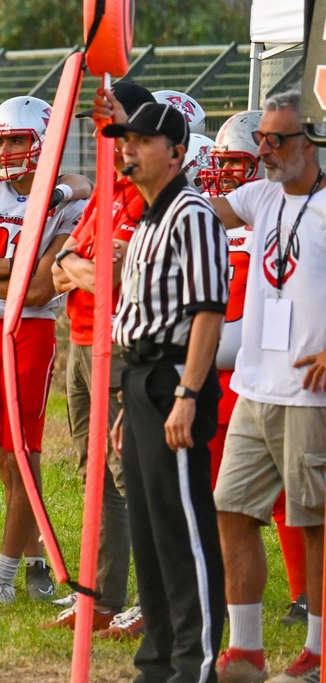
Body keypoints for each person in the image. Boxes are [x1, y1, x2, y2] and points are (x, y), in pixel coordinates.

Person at [103, 100, 228, 682]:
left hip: (174, 377)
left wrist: (186, 394)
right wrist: (128, 403)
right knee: (151, 534)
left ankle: (193, 666)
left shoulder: (191, 213)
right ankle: (156, 664)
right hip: (141, 379)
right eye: (124, 139)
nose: (127, 149)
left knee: (182, 532)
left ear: (176, 151)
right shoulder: (150, 217)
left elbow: (208, 311)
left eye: (141, 140)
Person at [210, 90, 326, 683]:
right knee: (232, 509)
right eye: (261, 139)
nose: (265, 151)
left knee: (315, 524)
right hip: (255, 389)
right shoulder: (259, 196)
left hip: (311, 394)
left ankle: (318, 651)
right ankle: (246, 649)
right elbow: (203, 214)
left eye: (277, 139)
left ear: (313, 142)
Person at [0, 95, 87, 604]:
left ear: (44, 142)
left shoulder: (69, 200)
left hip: (26, 333)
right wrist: (1, 267)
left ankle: (5, 576)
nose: (5, 151)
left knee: (23, 460)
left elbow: (37, 289)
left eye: (17, 139)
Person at [48, 80, 154, 633]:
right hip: (82, 342)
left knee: (127, 473)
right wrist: (89, 267)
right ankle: (102, 596)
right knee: (95, 475)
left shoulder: (147, 194)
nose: (104, 137)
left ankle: (148, 600)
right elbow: (59, 268)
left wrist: (84, 269)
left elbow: (123, 277)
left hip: (119, 344)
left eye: (114, 125)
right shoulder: (106, 191)